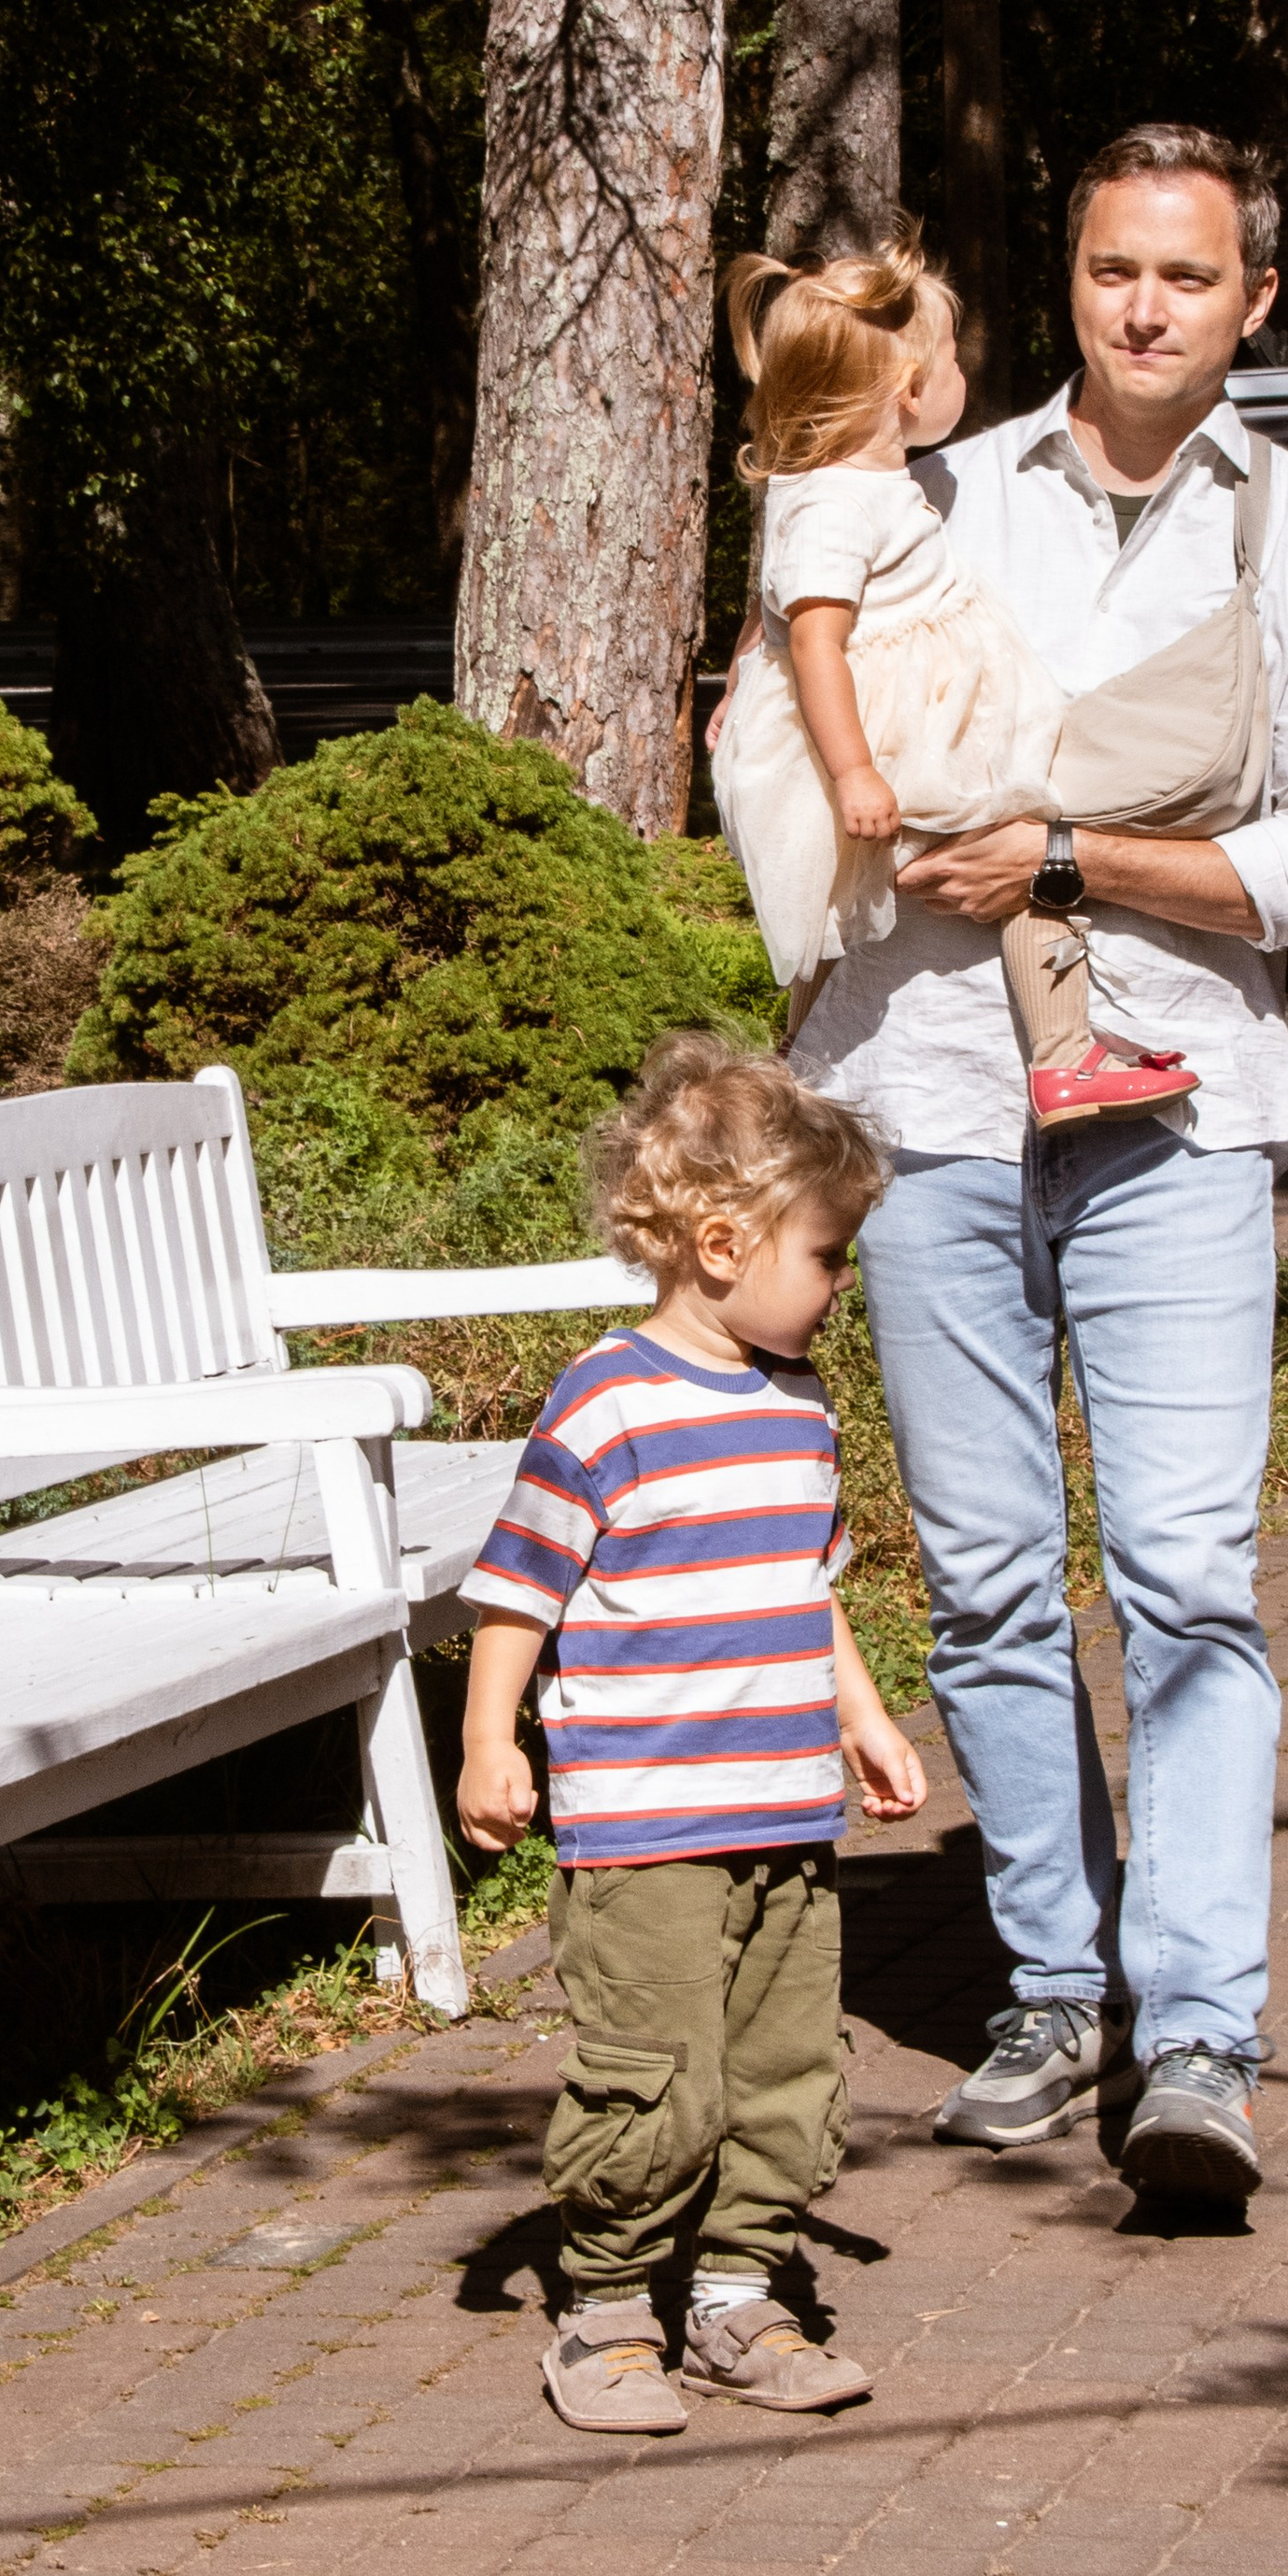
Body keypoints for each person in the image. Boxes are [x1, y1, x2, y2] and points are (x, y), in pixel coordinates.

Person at [787, 122, 1288, 2201]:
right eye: (1109, 270)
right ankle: (1053, 1988)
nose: (1143, 309)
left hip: (1177, 1108)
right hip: (934, 1094)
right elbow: (807, 720)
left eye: (1186, 276)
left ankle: (1198, 2035)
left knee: (1186, 1577)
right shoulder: (932, 494)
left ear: (1255, 301)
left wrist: (1069, 853)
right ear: (1068, 280)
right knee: (984, 1579)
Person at [455, 1033, 928, 2436]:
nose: (842, 1285)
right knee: (653, 2075)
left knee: (784, 2072)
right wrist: (489, 1743)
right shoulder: (608, 1403)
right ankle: (605, 2310)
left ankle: (734, 2297)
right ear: (724, 1246)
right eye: (828, 1257)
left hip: (784, 1812)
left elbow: (805, 1586)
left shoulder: (798, 1408)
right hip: (644, 1824)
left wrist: (863, 1716)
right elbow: (516, 1589)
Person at [711, 230, 1199, 1130]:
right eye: (950, 361)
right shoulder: (835, 500)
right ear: (908, 392)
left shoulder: (844, 483)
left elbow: (771, 602)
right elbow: (814, 640)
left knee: (834, 917)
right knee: (1023, 853)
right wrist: (856, 771)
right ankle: (1064, 1055)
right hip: (893, 737)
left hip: (899, 724)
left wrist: (743, 671)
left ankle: (796, 1072)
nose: (960, 376)